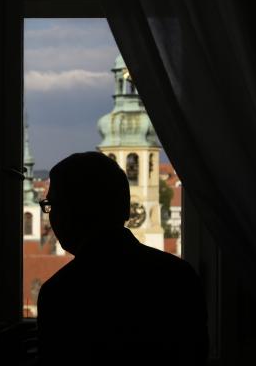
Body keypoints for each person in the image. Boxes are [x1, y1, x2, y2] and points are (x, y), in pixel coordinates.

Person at [36, 152, 208, 365]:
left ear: (72, 211)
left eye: (51, 205)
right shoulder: (180, 276)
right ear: (125, 207)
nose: (50, 215)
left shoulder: (62, 292)